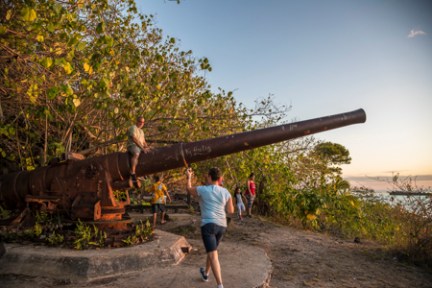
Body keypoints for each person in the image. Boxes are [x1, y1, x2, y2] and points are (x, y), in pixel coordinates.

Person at [186, 167, 234, 288]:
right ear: (219, 179)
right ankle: (206, 273)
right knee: (212, 250)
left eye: (207, 176)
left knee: (213, 255)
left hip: (208, 225)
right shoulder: (226, 192)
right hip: (221, 226)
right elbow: (230, 210)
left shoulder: (203, 190)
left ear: (209, 177)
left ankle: (220, 285)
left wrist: (189, 177)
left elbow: (188, 189)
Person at [127, 116, 150, 188]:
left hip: (140, 147)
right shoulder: (133, 128)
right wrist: (142, 148)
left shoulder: (141, 131)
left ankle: (143, 172)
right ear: (137, 121)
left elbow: (143, 141)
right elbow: (134, 139)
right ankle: (132, 172)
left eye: (143, 122)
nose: (141, 123)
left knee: (147, 155)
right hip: (133, 145)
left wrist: (146, 147)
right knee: (136, 153)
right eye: (140, 121)